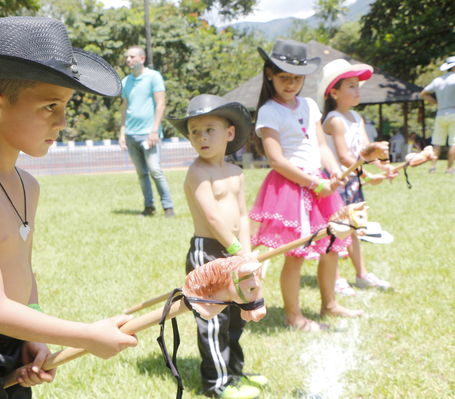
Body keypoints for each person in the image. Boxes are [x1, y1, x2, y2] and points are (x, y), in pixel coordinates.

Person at [0, 17, 137, 398]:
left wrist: (31, 331)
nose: (63, 121)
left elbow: (21, 268)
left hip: (11, 340)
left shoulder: (27, 185)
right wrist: (88, 336)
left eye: (64, 106)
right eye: (50, 106)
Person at [249, 39, 363, 332]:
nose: (291, 84)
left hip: (320, 183)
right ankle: (293, 315)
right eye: (284, 77)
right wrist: (314, 183)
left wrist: (335, 173)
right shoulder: (268, 112)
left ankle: (330, 303)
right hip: (291, 187)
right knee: (296, 255)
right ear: (270, 74)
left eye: (297, 78)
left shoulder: (311, 105)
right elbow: (276, 160)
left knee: (332, 246)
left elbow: (321, 145)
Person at [169, 94, 267, 398]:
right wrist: (237, 248)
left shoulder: (235, 172)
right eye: (195, 131)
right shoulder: (197, 172)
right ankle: (216, 384)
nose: (201, 137)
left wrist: (246, 252)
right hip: (208, 252)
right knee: (214, 318)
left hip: (236, 251)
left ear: (229, 133)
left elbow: (241, 213)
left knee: (238, 312)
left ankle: (235, 373)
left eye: (209, 129)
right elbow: (211, 215)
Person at [318, 58, 394, 296]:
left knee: (354, 228)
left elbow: (365, 150)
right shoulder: (335, 120)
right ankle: (337, 278)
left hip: (353, 181)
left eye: (357, 85)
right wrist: (368, 174)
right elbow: (343, 157)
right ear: (334, 93)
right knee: (337, 229)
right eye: (350, 86)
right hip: (337, 182)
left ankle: (361, 274)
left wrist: (383, 166)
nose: (356, 89)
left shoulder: (356, 118)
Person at [119, 46, 175, 217]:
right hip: (131, 134)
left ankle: (168, 208)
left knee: (155, 170)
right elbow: (124, 108)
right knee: (141, 173)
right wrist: (122, 132)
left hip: (148, 133)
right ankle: (149, 207)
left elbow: (160, 104)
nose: (128, 60)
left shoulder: (154, 77)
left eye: (132, 56)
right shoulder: (125, 82)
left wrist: (154, 131)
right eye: (127, 57)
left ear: (142, 59)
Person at [420, 55, 455, 174]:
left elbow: (424, 93)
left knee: (437, 142)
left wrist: (435, 102)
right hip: (453, 112)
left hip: (440, 113)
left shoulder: (438, 80)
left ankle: (433, 167)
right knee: (454, 142)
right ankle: (449, 168)